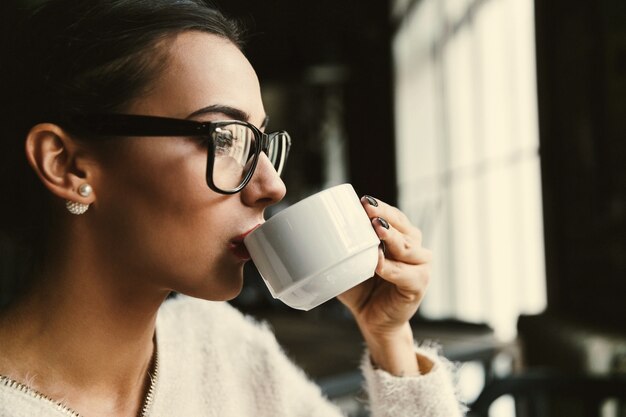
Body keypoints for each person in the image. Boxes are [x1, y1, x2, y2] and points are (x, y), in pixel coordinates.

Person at [0, 0, 465, 416]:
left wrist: (391, 340)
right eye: (224, 138)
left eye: (262, 144)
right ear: (68, 166)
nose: (273, 186)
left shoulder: (223, 348)